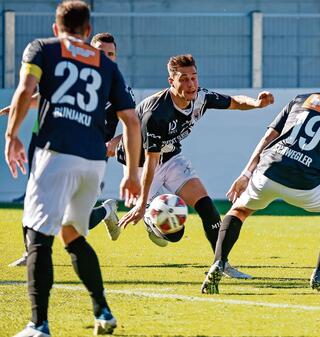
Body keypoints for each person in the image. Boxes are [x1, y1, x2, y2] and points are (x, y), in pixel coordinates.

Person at [4, 1, 141, 336]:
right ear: (88, 31)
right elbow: (132, 122)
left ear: (56, 28)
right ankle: (103, 311)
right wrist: (132, 173)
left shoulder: (42, 49)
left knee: (37, 236)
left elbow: (26, 90)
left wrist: (12, 136)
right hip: (93, 162)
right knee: (73, 235)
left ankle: (39, 324)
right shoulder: (106, 65)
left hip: (56, 154)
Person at [201, 59, 320, 294]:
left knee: (239, 210)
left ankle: (219, 261)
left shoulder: (300, 99)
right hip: (305, 184)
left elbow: (267, 139)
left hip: (268, 171)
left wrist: (245, 174)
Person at [117, 54, 274, 279]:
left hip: (170, 157)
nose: (191, 84)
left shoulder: (201, 97)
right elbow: (151, 161)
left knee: (206, 206)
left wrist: (257, 103)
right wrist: (142, 205)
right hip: (142, 165)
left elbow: (234, 102)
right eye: (183, 79)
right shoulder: (157, 113)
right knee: (174, 235)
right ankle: (150, 220)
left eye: (194, 78)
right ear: (171, 82)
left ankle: (221, 264)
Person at [4, 32, 130, 268]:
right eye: (101, 53)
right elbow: (47, 96)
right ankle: (30, 252)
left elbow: (136, 126)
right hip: (53, 142)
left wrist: (114, 142)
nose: (106, 58)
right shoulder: (79, 77)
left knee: (73, 217)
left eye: (111, 54)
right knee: (37, 194)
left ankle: (104, 211)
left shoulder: (119, 87)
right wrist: (18, 105)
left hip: (91, 155)